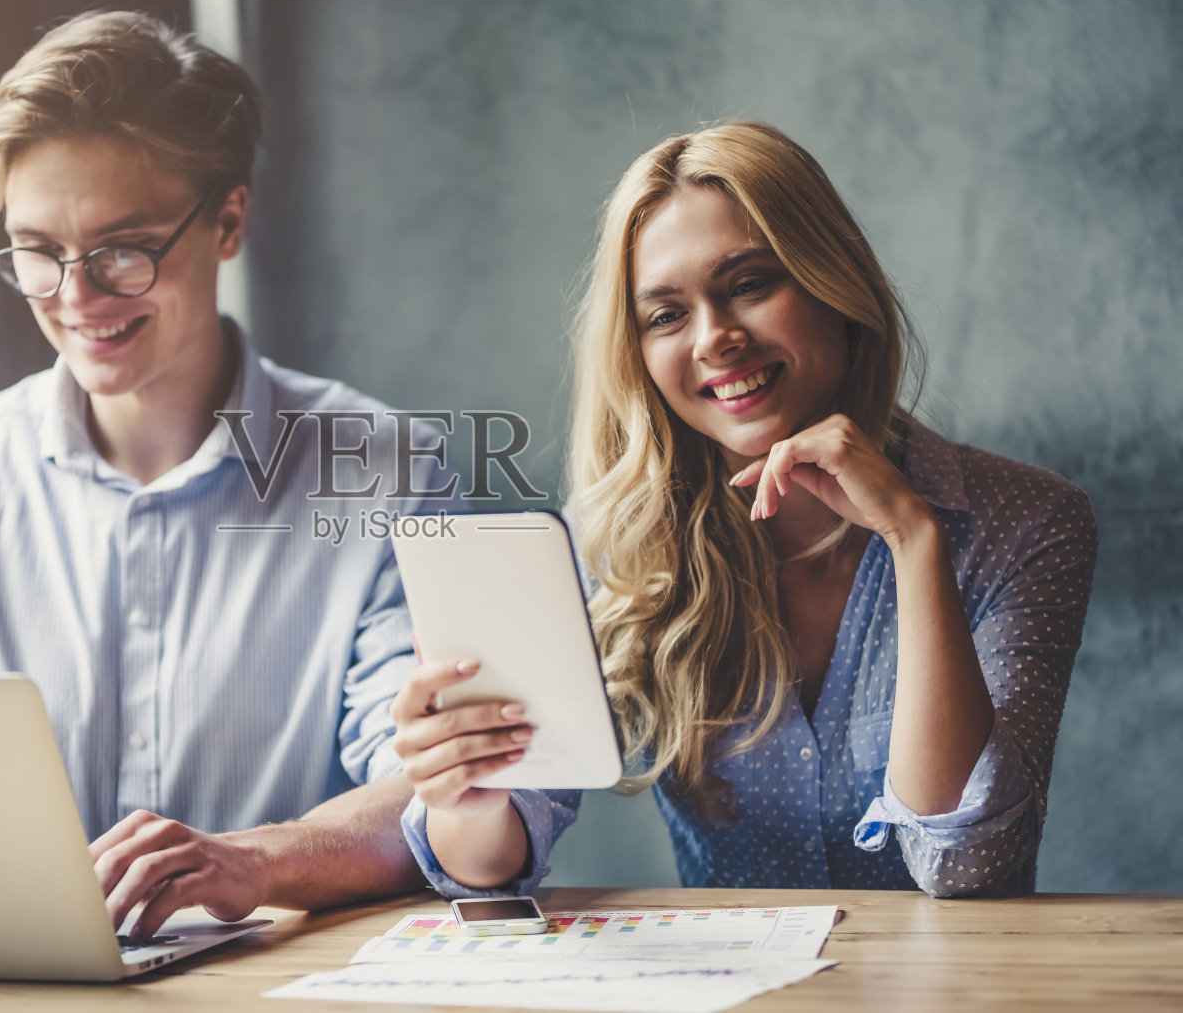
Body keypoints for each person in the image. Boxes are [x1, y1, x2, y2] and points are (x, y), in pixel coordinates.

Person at [0, 10, 443, 939]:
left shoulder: (385, 467)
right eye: (36, 251)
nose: (76, 298)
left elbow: (431, 780)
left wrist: (252, 862)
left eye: (125, 249)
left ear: (228, 220)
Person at [390, 121, 1097, 898]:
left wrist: (913, 537)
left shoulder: (1029, 523)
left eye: (752, 283)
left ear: (834, 282)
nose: (715, 339)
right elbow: (487, 863)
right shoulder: (611, 543)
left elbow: (967, 867)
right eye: (665, 316)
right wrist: (467, 790)